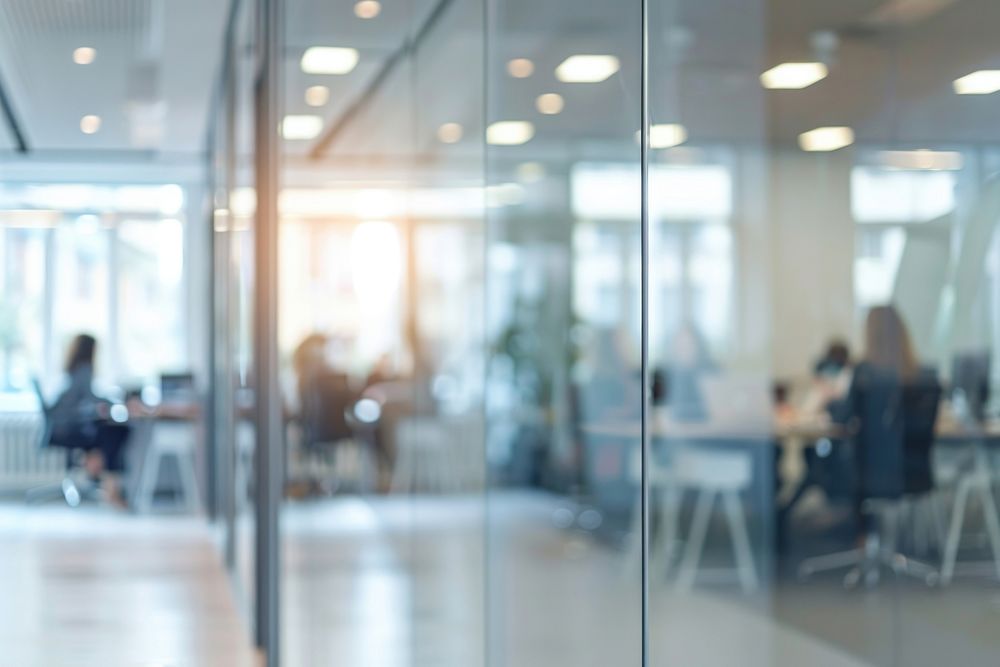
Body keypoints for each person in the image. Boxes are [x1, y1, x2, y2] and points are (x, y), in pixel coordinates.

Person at [48, 334, 130, 506]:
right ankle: (104, 476)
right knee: (115, 431)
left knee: (107, 430)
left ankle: (95, 464)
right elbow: (91, 397)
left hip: (62, 424)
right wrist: (115, 401)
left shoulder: (73, 368)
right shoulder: (84, 369)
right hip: (68, 426)